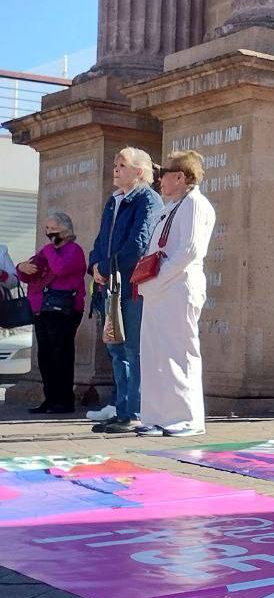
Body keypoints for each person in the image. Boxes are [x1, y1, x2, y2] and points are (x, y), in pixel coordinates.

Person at [135, 151, 217, 436]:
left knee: (179, 353)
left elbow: (189, 251)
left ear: (180, 177)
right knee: (155, 354)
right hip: (159, 290)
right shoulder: (170, 207)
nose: (159, 180)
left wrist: (156, 280)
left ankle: (187, 419)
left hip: (178, 287)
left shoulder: (196, 204)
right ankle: (158, 416)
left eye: (164, 174)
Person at [85, 148, 164, 433]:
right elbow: (100, 239)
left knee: (132, 348)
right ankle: (121, 410)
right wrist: (94, 265)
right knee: (115, 348)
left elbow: (139, 243)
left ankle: (135, 411)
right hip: (109, 285)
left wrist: (106, 267)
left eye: (122, 165)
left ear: (139, 172)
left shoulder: (147, 199)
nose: (115, 169)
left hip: (131, 286)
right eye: (115, 164)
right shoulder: (113, 201)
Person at [17, 212, 87, 415]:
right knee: (45, 357)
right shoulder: (47, 251)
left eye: (53, 229)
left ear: (66, 230)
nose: (49, 233)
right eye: (47, 229)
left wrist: (48, 250)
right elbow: (28, 273)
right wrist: (21, 267)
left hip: (64, 310)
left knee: (61, 355)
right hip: (42, 310)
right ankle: (50, 399)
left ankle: (64, 401)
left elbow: (61, 268)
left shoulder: (74, 250)